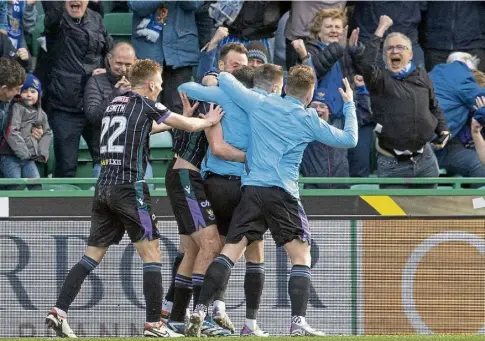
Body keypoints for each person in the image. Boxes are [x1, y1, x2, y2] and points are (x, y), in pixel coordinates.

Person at [44, 58, 224, 338]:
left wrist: (188, 121)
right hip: (130, 188)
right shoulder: (147, 103)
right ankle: (155, 324)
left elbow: (143, 129)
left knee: (90, 257)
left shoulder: (115, 104)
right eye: (161, 82)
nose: (161, 86)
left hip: (103, 187)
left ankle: (58, 311)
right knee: (152, 255)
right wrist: (207, 121)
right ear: (151, 84)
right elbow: (186, 126)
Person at [185, 66, 357, 337]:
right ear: (310, 95)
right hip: (283, 192)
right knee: (301, 256)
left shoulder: (261, 103)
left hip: (252, 190)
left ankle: (199, 310)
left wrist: (218, 73)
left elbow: (229, 83)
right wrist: (348, 105)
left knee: (229, 253)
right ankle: (298, 322)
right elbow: (350, 139)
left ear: (286, 88)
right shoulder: (308, 118)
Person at [179, 64, 285, 336]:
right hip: (245, 187)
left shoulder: (218, 98)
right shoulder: (260, 106)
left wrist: (210, 85)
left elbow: (184, 88)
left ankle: (204, 311)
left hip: (213, 184)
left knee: (215, 250)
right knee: (253, 253)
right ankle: (249, 323)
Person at [161, 43, 249, 337]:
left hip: (188, 176)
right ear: (222, 68)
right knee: (211, 243)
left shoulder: (236, 101)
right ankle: (204, 316)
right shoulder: (213, 91)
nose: (240, 70)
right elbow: (210, 144)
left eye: (243, 65)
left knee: (194, 248)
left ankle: (175, 316)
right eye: (234, 65)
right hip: (186, 175)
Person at [353, 15, 449, 188]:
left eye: (400, 47)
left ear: (410, 54)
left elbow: (433, 106)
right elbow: (366, 64)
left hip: (425, 159)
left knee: (430, 213)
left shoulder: (421, 75)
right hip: (392, 163)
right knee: (394, 215)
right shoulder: (378, 79)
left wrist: (443, 129)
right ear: (383, 56)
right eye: (389, 49)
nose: (395, 51)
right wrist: (380, 29)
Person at [0, 73, 51, 190]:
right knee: (15, 186)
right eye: (25, 91)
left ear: (39, 94)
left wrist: (42, 152)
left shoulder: (41, 114)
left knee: (36, 185)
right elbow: (11, 131)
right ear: (18, 94)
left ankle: (37, 207)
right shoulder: (16, 108)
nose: (29, 95)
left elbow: (47, 133)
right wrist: (24, 153)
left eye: (33, 92)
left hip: (28, 158)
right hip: (9, 156)